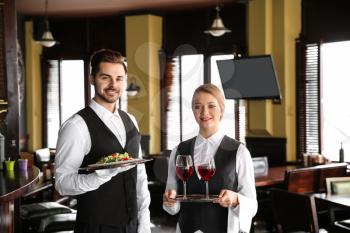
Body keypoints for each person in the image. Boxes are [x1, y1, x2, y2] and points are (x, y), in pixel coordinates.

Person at [55, 49, 151, 233]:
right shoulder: (76, 126)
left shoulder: (131, 121)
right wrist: (98, 177)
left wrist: (144, 220)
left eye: (119, 78)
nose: (113, 85)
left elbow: (139, 175)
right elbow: (62, 183)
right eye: (105, 77)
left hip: (132, 225)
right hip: (94, 226)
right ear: (92, 79)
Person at [163, 84, 257, 233]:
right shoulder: (178, 151)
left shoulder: (240, 152)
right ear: (193, 111)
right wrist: (170, 200)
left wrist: (235, 199)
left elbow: (252, 206)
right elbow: (172, 207)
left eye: (211, 106)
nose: (204, 112)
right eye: (197, 106)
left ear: (221, 109)